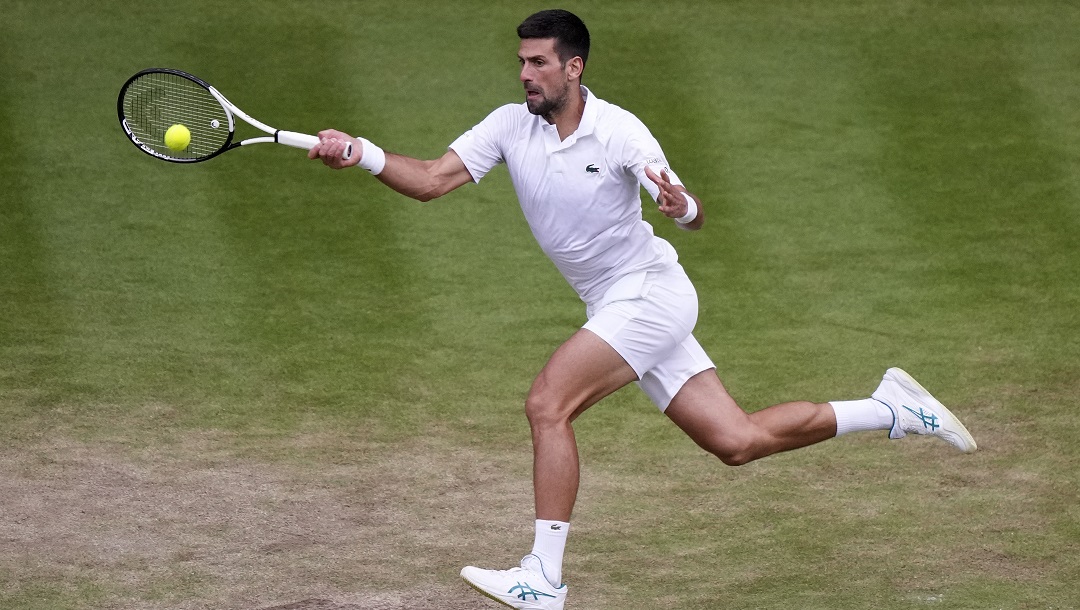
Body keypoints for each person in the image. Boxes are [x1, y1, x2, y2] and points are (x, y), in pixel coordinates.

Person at [309, 9, 977, 610]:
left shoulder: (620, 131)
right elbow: (431, 180)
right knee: (736, 442)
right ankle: (894, 408)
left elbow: (688, 210)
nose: (526, 75)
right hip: (618, 302)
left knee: (548, 404)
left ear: (574, 67)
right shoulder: (510, 126)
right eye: (521, 62)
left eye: (539, 62)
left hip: (650, 294)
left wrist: (678, 206)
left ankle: (544, 577)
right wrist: (360, 152)